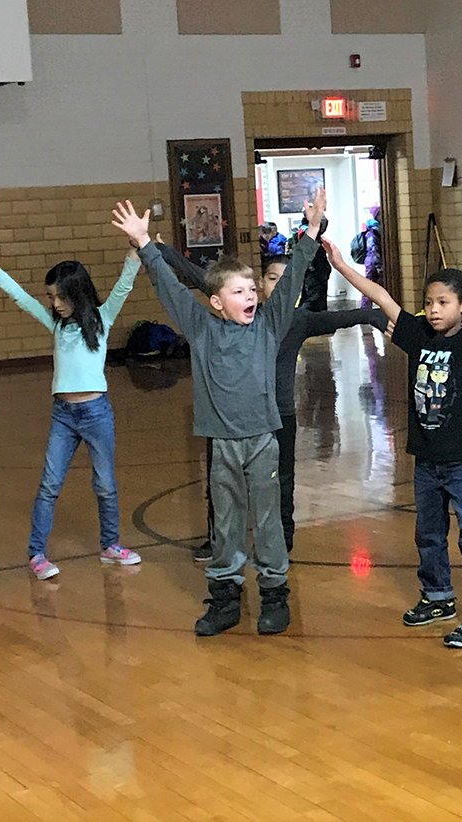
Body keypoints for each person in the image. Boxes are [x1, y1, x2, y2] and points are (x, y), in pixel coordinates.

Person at [111, 190, 327, 637]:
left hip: (263, 442)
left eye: (252, 289)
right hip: (223, 445)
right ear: (216, 301)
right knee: (225, 523)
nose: (250, 296)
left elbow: (292, 280)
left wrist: (310, 232)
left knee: (267, 520)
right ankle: (225, 598)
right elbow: (171, 288)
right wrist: (145, 244)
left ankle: (274, 594)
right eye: (239, 291)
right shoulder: (201, 329)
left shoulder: (269, 325)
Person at [322, 231, 462, 648]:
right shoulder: (417, 335)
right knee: (428, 532)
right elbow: (381, 296)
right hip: (427, 460)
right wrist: (341, 266)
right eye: (429, 302)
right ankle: (437, 597)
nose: (433, 310)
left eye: (443, 303)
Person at [153, 244, 386, 560]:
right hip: (231, 418)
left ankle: (283, 538)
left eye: (286, 280)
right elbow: (205, 280)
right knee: (221, 482)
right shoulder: (242, 316)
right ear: (261, 284)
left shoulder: (297, 320)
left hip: (279, 416)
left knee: (282, 480)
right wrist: (164, 252)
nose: (279, 285)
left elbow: (342, 317)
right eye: (273, 278)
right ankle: (217, 538)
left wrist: (375, 315)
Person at [0, 245, 143, 580]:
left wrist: (137, 247)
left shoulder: (102, 318)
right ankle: (37, 553)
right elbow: (20, 297)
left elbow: (124, 285)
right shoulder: (57, 325)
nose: (55, 304)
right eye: (51, 297)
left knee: (105, 484)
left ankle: (111, 545)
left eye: (61, 297)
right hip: (64, 416)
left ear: (77, 293)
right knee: (50, 484)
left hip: (96, 413)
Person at [290, 212, 331, 311]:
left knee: (309, 296)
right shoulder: (309, 233)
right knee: (314, 298)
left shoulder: (303, 231)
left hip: (311, 271)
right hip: (314, 271)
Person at [361, 206, 384, 309]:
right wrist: (379, 266)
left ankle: (365, 309)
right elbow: (374, 250)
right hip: (373, 263)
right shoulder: (375, 230)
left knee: (369, 286)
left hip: (371, 262)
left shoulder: (372, 229)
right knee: (369, 287)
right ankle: (365, 311)